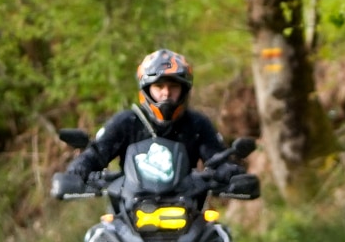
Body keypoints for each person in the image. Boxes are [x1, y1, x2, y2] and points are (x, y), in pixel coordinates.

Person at [61, 49, 243, 187]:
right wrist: (80, 167)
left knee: (217, 228)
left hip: (187, 208)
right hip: (129, 210)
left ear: (184, 90)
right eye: (159, 86)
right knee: (102, 228)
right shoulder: (126, 122)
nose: (166, 93)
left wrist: (228, 171)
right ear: (147, 89)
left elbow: (216, 157)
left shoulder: (197, 123)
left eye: (173, 86)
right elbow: (97, 152)